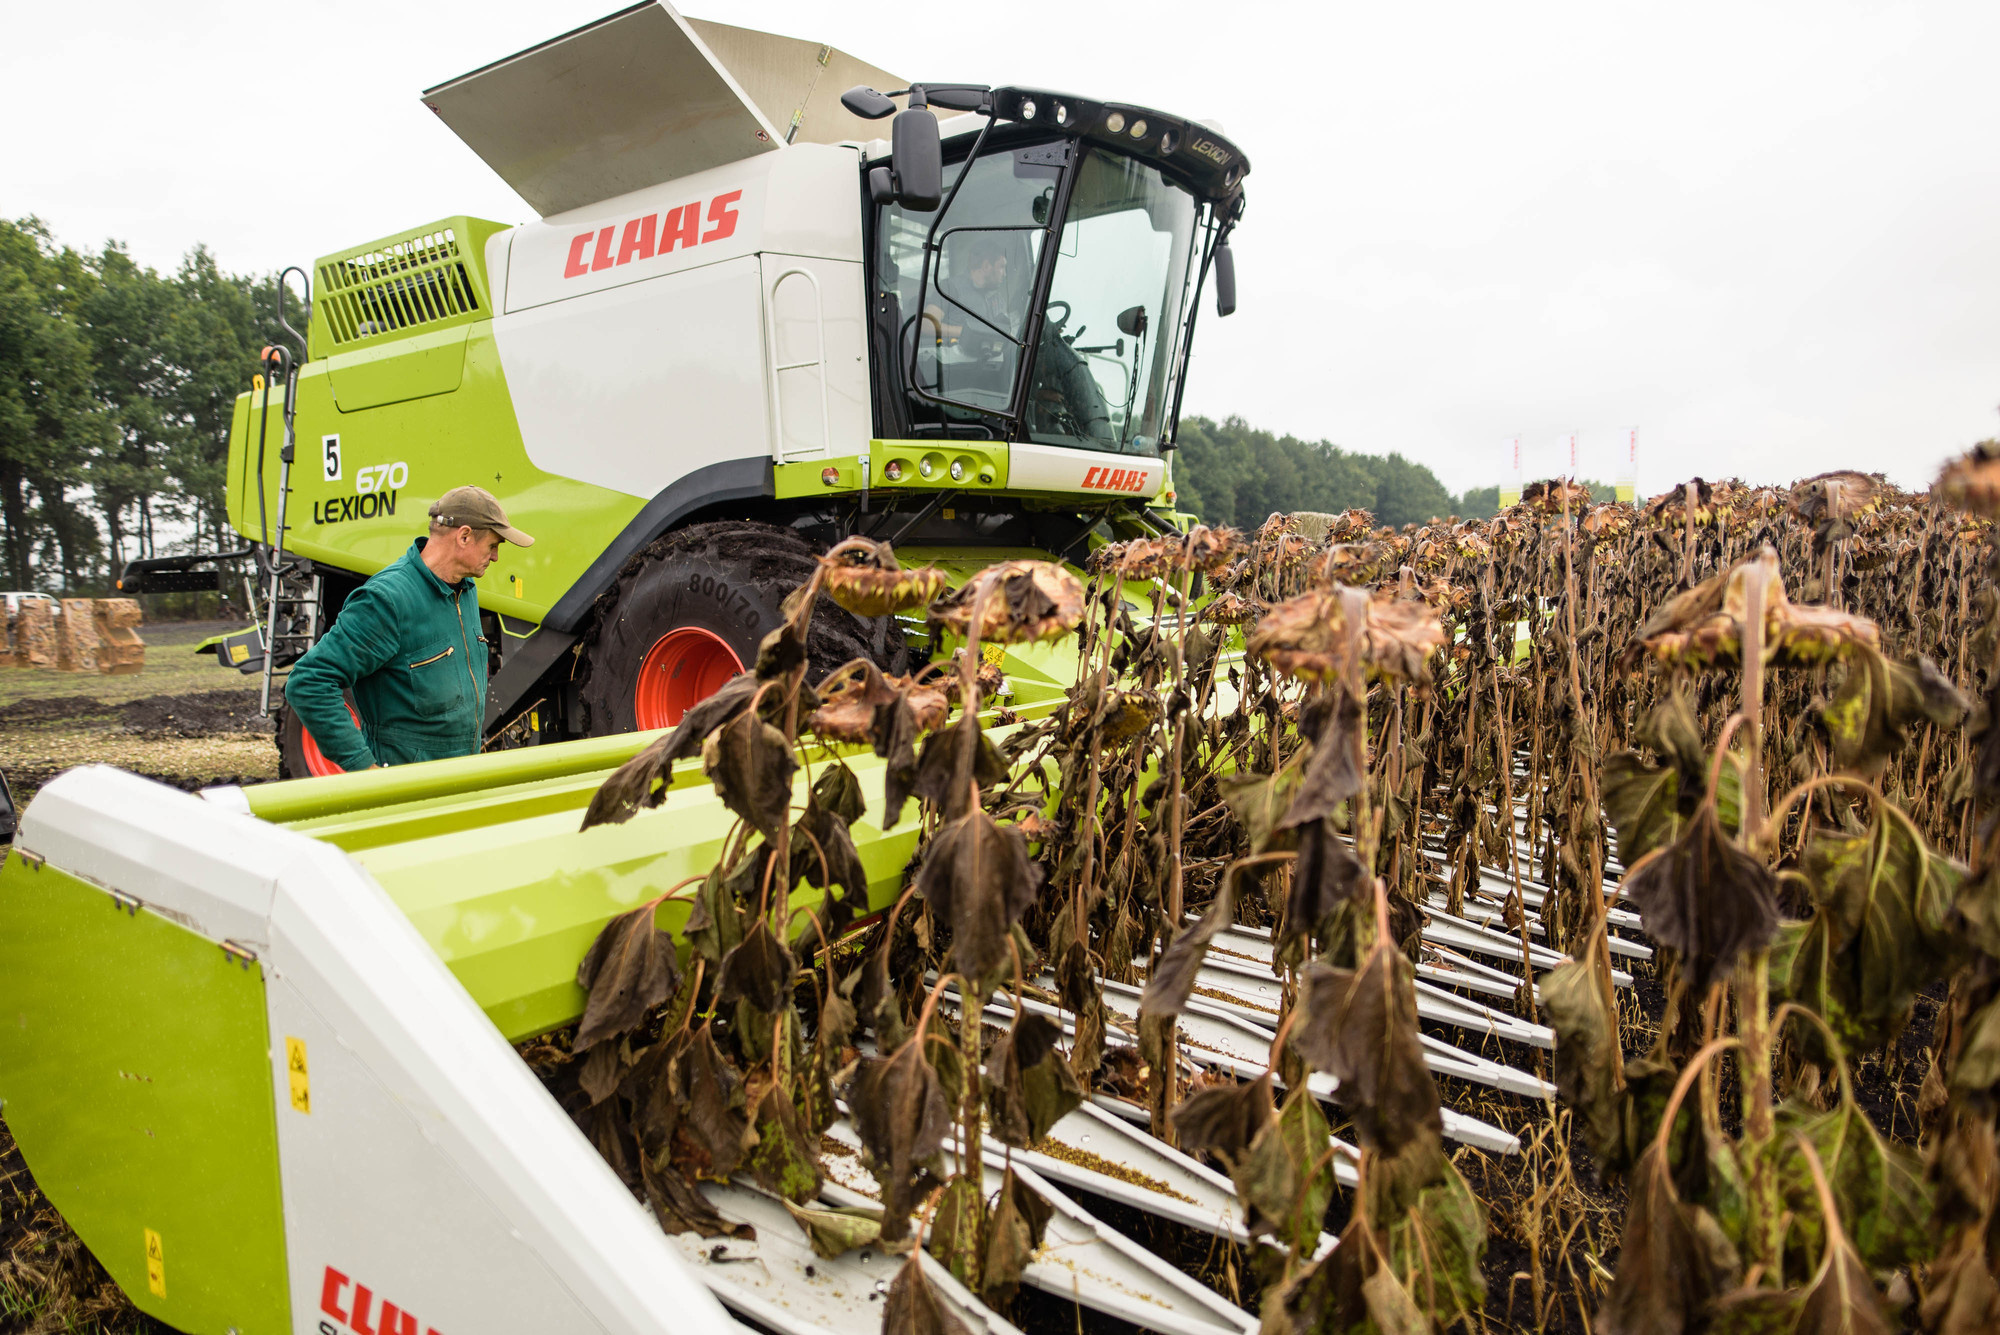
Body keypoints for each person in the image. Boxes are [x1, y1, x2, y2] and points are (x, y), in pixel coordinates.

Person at [284, 485, 533, 770]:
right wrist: (364, 770)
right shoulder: (386, 600)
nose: (496, 556)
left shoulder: (465, 590)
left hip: (459, 778)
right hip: (407, 790)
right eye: (493, 545)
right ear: (464, 536)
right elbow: (309, 681)